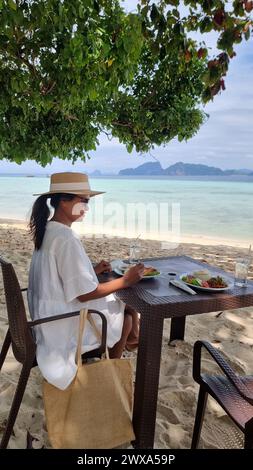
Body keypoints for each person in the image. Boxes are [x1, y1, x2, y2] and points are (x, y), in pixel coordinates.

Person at [28, 172, 144, 390]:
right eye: (84, 201)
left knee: (124, 308)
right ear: (63, 201)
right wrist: (126, 280)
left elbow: (56, 274)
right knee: (126, 312)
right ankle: (111, 373)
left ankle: (129, 344)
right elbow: (84, 294)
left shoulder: (48, 231)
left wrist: (92, 269)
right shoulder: (65, 238)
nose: (87, 208)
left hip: (46, 317)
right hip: (60, 325)